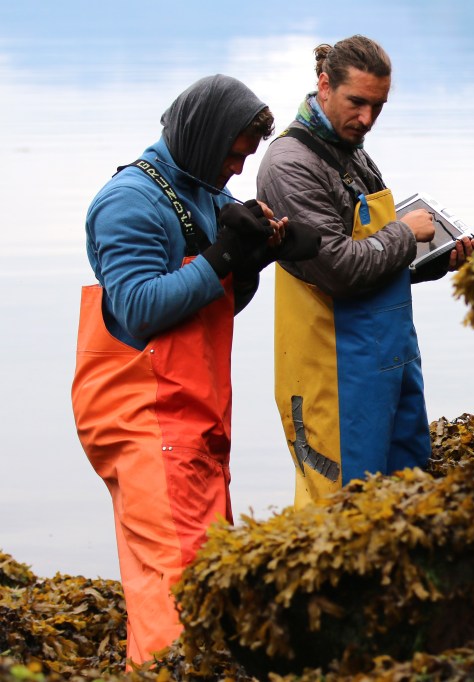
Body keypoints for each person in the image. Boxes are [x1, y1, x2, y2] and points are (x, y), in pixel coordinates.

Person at [70, 74, 320, 666]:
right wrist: (223, 256)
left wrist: (254, 262)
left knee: (194, 570)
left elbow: (212, 305)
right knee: (179, 581)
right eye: (234, 155)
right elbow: (135, 311)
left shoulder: (204, 192)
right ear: (206, 137)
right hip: (144, 417)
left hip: (192, 413)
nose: (237, 171)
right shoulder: (130, 201)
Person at [257, 35, 474, 506]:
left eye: (378, 106)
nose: (367, 120)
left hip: (389, 359)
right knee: (340, 509)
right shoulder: (289, 165)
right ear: (324, 85)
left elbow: (377, 261)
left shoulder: (350, 148)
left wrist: (435, 259)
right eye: (357, 103)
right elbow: (337, 268)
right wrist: (405, 234)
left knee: (405, 498)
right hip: (332, 370)